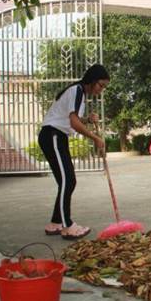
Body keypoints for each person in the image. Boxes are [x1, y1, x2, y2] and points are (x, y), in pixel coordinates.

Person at [38, 64, 109, 240]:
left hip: (55, 136)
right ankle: (67, 225)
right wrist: (95, 138)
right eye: (101, 85)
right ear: (92, 81)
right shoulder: (77, 90)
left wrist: (87, 119)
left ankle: (55, 223)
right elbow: (73, 123)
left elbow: (74, 118)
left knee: (66, 181)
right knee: (68, 181)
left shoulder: (79, 93)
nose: (101, 90)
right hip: (53, 135)